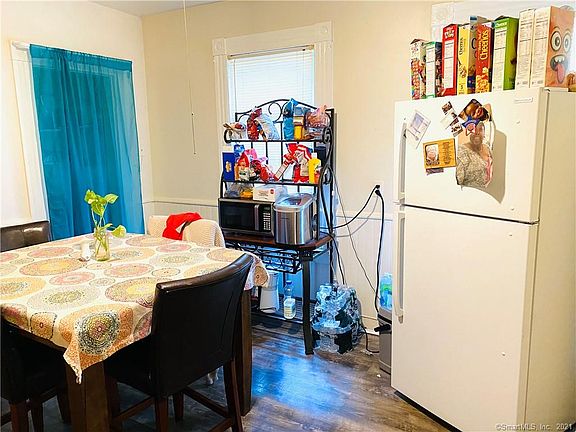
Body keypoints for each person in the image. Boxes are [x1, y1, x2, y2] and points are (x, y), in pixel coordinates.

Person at [456, 121, 492, 188]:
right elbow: (459, 180)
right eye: (474, 129)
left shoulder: (488, 148)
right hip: (471, 191)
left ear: (484, 133)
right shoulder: (462, 151)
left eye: (480, 129)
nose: (477, 132)